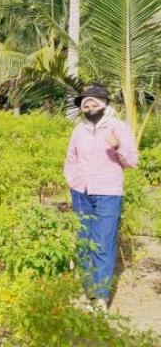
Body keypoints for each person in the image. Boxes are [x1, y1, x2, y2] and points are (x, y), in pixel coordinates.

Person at [64, 84, 138, 310]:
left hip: (108, 193)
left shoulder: (118, 127)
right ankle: (90, 291)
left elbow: (132, 161)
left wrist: (117, 147)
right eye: (85, 102)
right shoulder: (79, 130)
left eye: (93, 101)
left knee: (103, 243)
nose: (89, 105)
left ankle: (101, 298)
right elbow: (71, 158)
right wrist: (72, 180)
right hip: (81, 192)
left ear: (105, 103)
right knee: (84, 241)